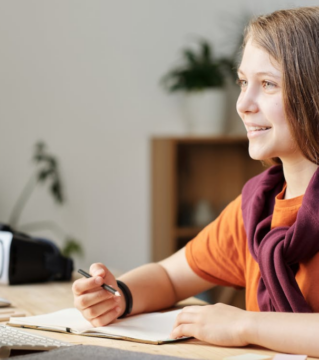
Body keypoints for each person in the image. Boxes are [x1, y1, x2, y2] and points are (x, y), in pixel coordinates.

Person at [72, 6, 319, 357]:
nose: (243, 104)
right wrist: (119, 296)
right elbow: (170, 277)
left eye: (267, 84)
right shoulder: (257, 210)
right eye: (243, 83)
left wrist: (244, 324)